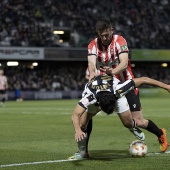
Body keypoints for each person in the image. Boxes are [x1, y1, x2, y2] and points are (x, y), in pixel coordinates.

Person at [83, 18, 168, 156]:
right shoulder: (93, 45)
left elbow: (123, 63)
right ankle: (83, 151)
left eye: (107, 34)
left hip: (126, 83)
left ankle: (160, 133)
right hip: (107, 87)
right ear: (98, 33)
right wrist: (92, 72)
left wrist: (113, 72)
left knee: (139, 121)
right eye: (101, 35)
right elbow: (91, 63)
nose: (104, 38)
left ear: (112, 30)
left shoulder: (120, 41)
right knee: (88, 113)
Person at [68, 74, 170, 160]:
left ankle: (140, 128)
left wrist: (166, 86)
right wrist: (77, 131)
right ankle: (82, 153)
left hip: (113, 93)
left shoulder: (119, 89)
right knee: (81, 124)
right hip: (96, 95)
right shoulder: (89, 96)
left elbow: (144, 79)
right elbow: (75, 114)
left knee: (128, 123)